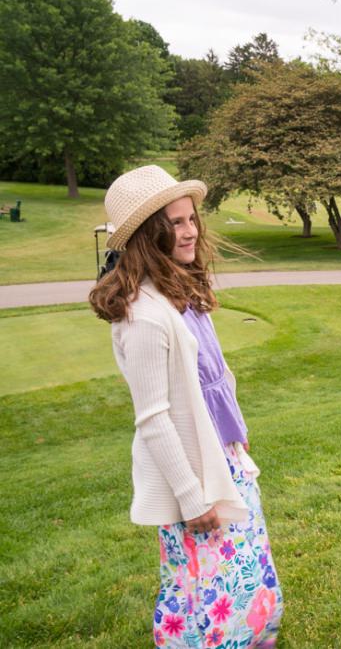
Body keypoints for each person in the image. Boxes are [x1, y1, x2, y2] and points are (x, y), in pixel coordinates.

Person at [88, 165, 283, 647]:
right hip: (195, 478)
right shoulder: (145, 316)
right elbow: (154, 419)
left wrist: (236, 437)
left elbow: (213, 379)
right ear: (146, 235)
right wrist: (193, 498)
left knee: (247, 575)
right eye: (174, 222)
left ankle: (255, 637)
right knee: (207, 590)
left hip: (225, 458)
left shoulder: (182, 293)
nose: (190, 229)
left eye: (191, 218)